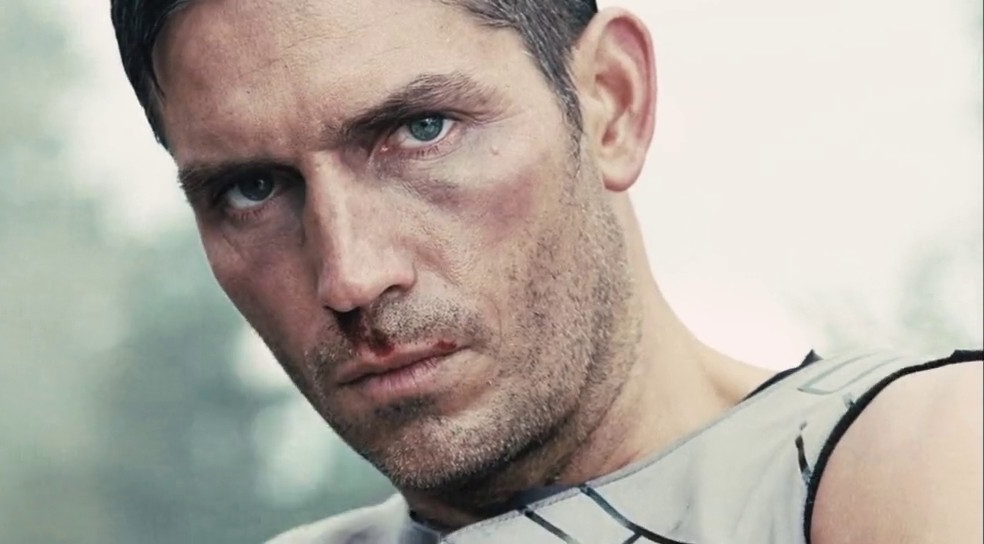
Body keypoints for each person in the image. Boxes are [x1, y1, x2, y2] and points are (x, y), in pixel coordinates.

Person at [110, 1, 983, 542]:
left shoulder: (915, 456)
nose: (350, 276)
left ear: (611, 101)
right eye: (252, 189)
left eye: (421, 130)